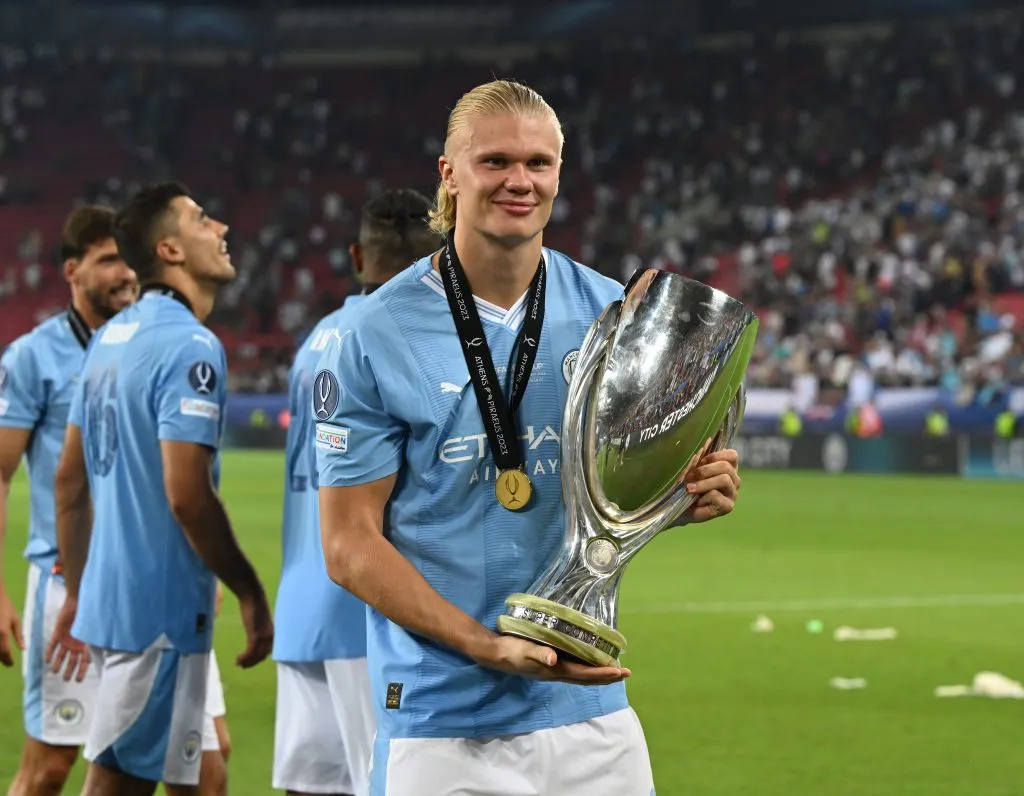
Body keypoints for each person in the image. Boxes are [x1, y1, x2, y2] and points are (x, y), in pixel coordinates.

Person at [313, 80, 742, 796]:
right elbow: (348, 545)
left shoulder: (613, 315)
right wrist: (486, 646)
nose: (520, 181)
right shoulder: (374, 332)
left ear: (559, 175)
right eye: (496, 161)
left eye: (539, 164)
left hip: (589, 714)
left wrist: (679, 498)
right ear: (449, 174)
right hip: (441, 719)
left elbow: (611, 499)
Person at [46, 182, 274, 796]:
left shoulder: (107, 339)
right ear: (169, 249)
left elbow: (69, 483)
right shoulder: (190, 344)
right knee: (115, 784)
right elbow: (187, 496)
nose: (221, 225)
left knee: (203, 775)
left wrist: (76, 588)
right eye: (202, 219)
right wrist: (249, 589)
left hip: (113, 604)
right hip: (160, 617)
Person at [273, 189, 442, 796]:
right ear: (441, 254)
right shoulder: (408, 339)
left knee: (312, 788)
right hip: (370, 611)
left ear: (355, 256)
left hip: (301, 606)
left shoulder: (316, 339)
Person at [0, 206, 136, 796]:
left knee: (159, 760)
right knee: (51, 765)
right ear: (73, 271)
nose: (124, 272)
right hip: (64, 578)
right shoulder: (33, 356)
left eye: (128, 257)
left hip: (139, 578)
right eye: (108, 259)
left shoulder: (145, 345)